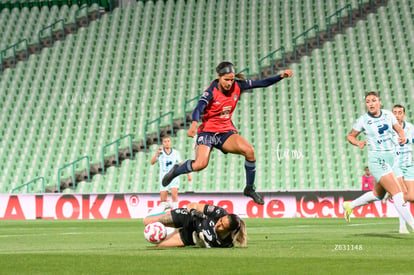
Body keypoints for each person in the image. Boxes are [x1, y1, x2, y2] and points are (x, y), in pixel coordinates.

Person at [161, 61, 293, 205]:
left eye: (231, 79)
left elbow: (262, 83)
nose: (229, 83)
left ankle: (249, 188)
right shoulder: (211, 91)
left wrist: (281, 76)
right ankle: (176, 171)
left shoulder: (238, 85)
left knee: (250, 151)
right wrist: (194, 124)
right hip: (207, 133)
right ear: (218, 77)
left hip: (225, 132)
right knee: (200, 164)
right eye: (226, 80)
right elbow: (198, 108)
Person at [342, 92, 414, 232]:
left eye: (374, 100)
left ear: (379, 102)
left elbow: (398, 128)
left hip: (392, 159)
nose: (371, 104)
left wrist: (403, 136)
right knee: (398, 193)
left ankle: (350, 206)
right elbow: (350, 136)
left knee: (378, 194)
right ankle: (410, 225)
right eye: (368, 101)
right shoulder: (363, 120)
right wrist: (357, 143)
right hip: (377, 160)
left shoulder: (388, 114)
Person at [144, 202, 247, 248]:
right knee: (147, 222)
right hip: (188, 217)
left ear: (229, 231)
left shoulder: (227, 242)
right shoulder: (219, 212)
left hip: (189, 235)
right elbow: (193, 205)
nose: (217, 225)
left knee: (158, 244)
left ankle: (170, 232)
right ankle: (164, 206)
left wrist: (200, 243)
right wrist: (193, 211)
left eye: (222, 227)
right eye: (220, 221)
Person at [150, 136, 192, 209]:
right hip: (163, 177)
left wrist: (188, 174)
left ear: (171, 142)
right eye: (165, 141)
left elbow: (181, 163)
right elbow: (152, 162)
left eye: (168, 141)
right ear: (163, 143)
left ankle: (176, 212)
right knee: (163, 200)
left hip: (173, 176)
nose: (167, 143)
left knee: (174, 193)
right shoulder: (160, 153)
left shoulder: (175, 153)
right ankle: (165, 214)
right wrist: (157, 153)